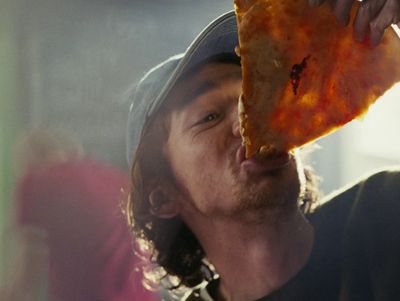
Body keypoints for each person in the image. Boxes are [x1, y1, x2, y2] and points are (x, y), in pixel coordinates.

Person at [125, 1, 400, 300]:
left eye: (258, 97)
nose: (250, 120)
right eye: (210, 117)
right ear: (163, 196)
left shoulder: (386, 207)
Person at [14, 128, 159, 301]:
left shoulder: (40, 180)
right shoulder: (116, 179)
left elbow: (33, 254)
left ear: (32, 158)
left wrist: (14, 294)